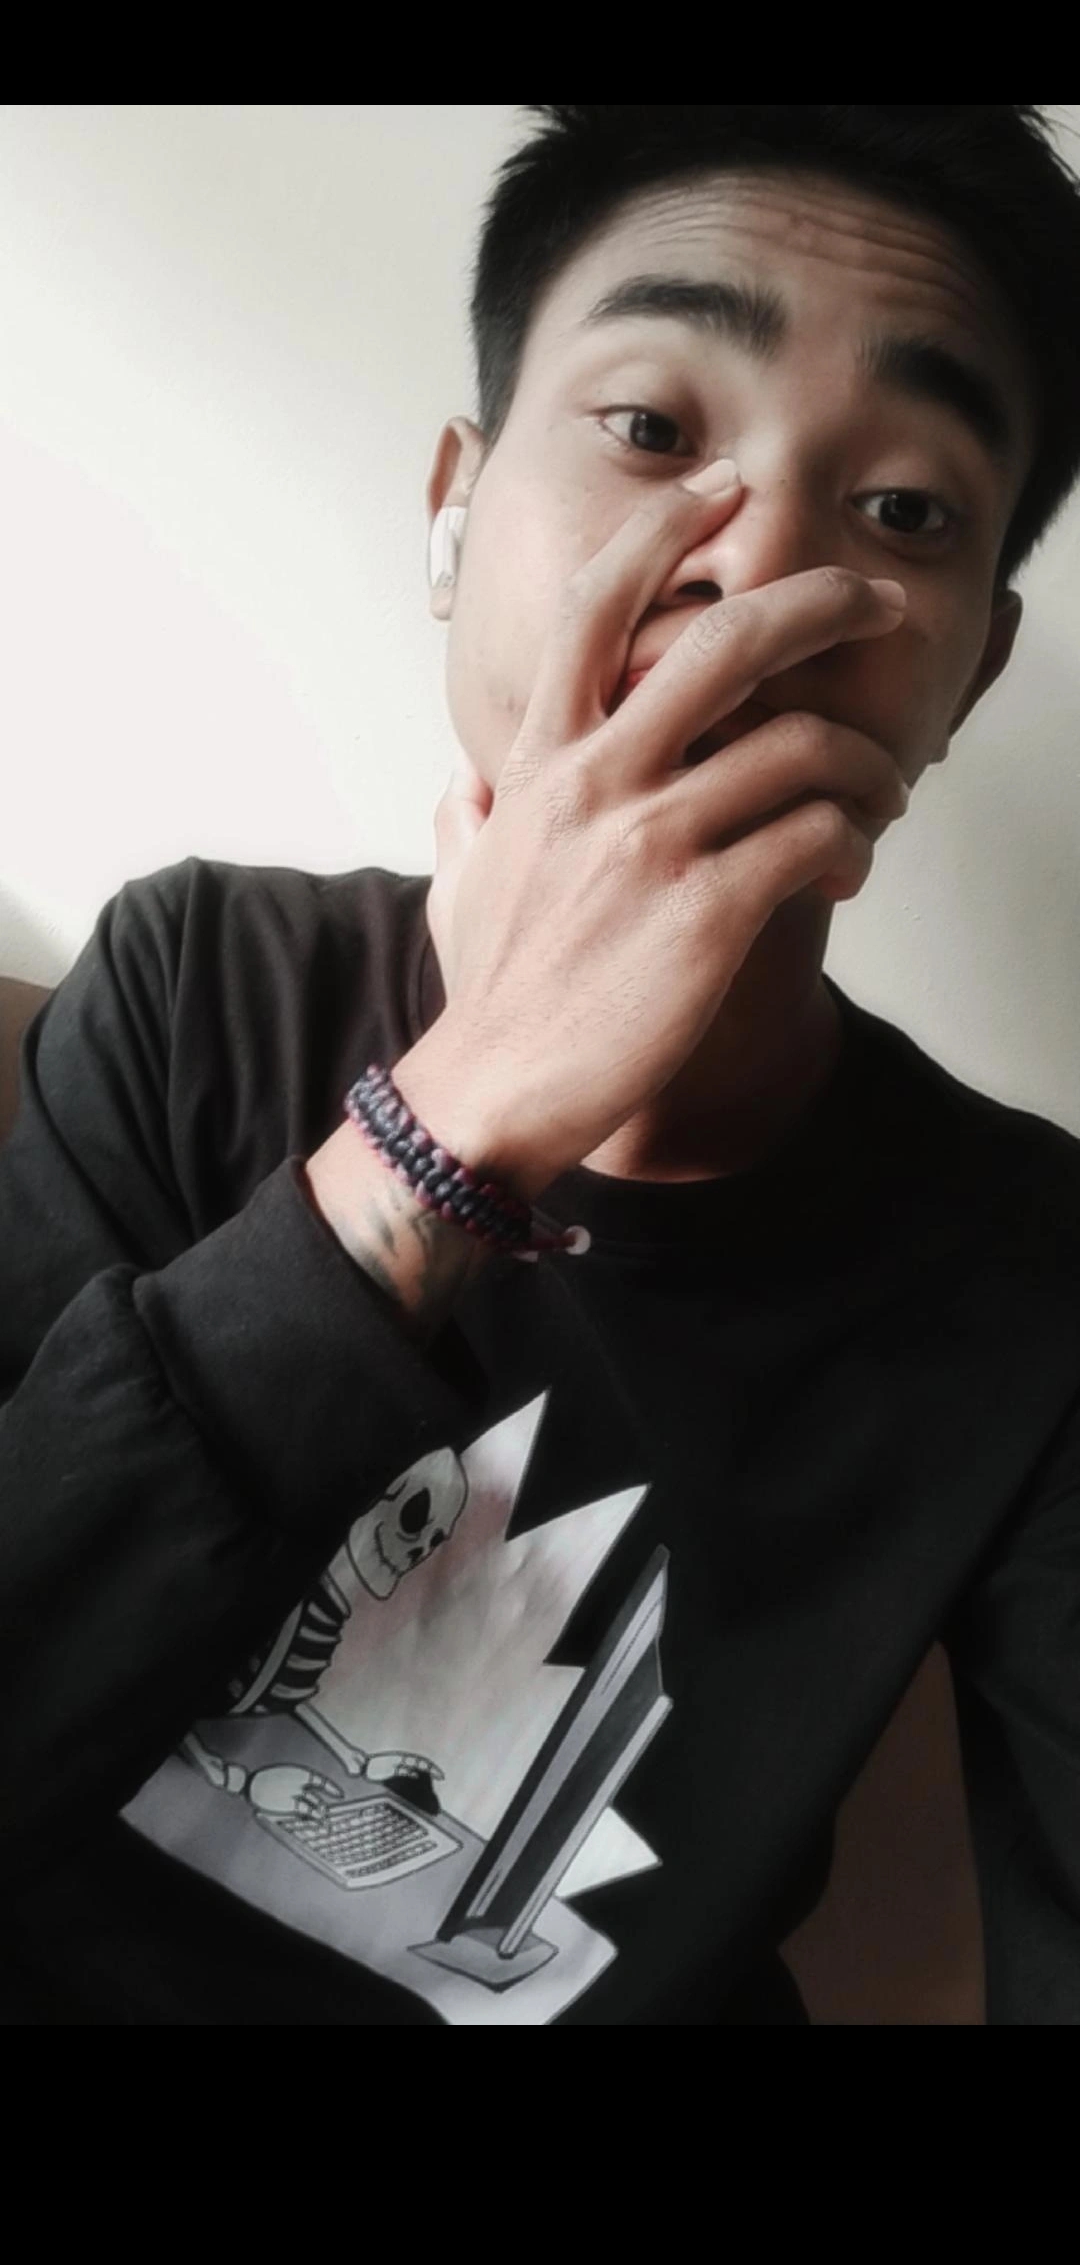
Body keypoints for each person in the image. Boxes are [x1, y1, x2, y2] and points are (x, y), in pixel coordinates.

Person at [3, 104, 1080, 2026]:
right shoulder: (189, 983)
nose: (755, 561)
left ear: (970, 673)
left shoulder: (1038, 1274)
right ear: (456, 508)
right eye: (653, 429)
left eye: (904, 509)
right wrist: (462, 1112)